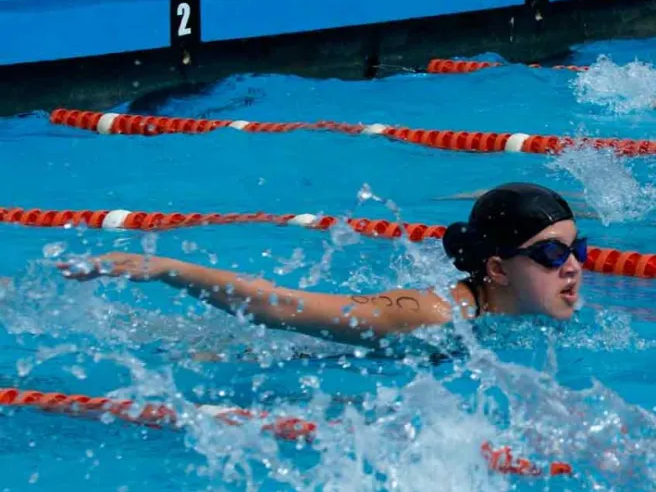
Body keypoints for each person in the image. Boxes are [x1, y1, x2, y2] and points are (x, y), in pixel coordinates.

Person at [56, 183, 585, 348]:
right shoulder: (428, 314)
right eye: (552, 254)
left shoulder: (534, 311)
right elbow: (279, 304)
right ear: (496, 270)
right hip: (250, 355)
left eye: (576, 249)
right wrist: (162, 268)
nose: (573, 267)